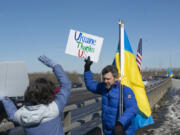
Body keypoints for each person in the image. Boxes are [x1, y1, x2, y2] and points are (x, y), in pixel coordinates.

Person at [0, 55, 71, 135]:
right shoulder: (54, 108)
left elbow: (12, 113)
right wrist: (55, 66)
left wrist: (4, 97)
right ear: (49, 94)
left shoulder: (21, 115)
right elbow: (66, 85)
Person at [84, 57, 138, 135]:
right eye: (104, 78)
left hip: (123, 131)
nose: (105, 81)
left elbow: (132, 109)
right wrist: (87, 69)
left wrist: (120, 123)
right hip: (108, 131)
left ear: (116, 78)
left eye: (108, 79)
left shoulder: (125, 90)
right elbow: (90, 85)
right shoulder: (103, 87)